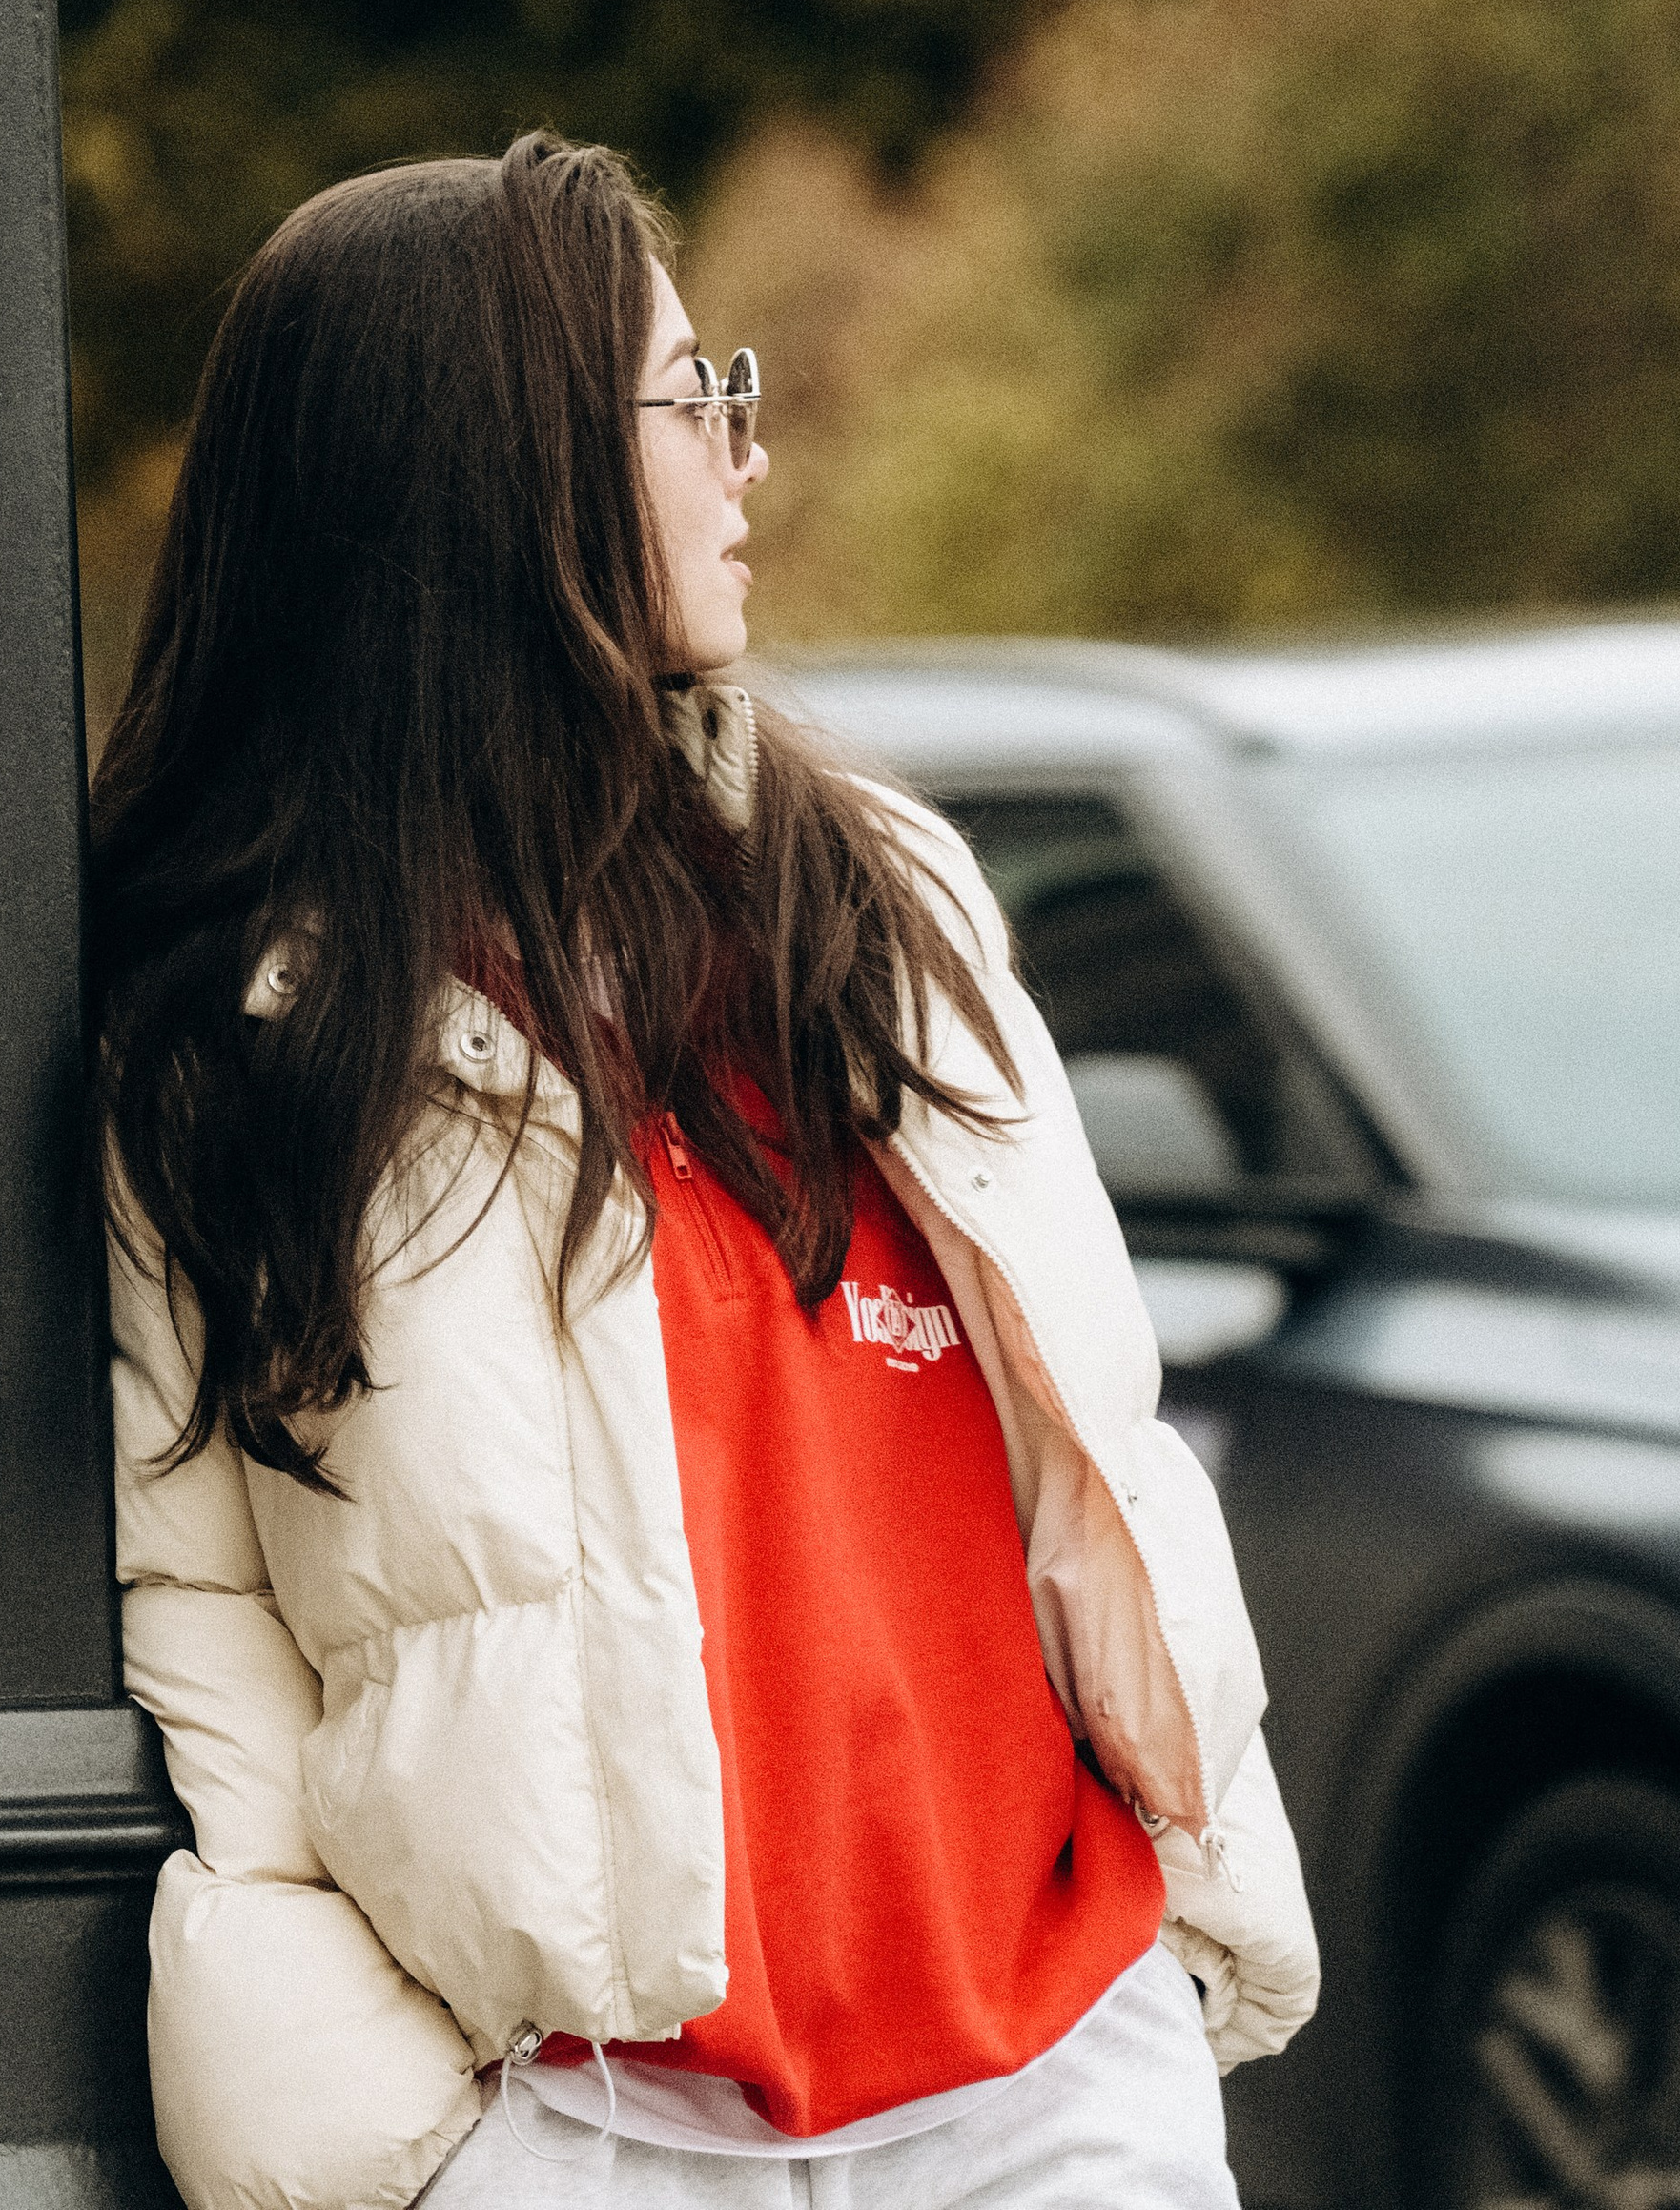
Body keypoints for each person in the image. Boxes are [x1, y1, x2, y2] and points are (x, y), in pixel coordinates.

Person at [89, 133, 1319, 2210]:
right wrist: (435, 2147)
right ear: (512, 472)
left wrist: (1175, 1947)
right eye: (692, 399)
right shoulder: (246, 1036)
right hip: (588, 2132)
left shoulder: (878, 903)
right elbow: (198, 1617)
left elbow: (1088, 1457)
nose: (748, 459)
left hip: (1050, 2080)